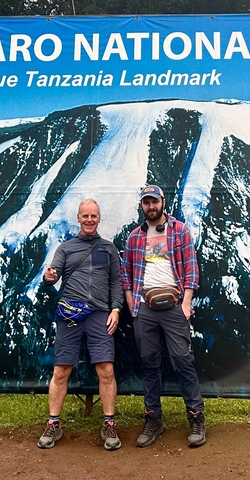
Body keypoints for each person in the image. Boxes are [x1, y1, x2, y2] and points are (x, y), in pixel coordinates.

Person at [121, 185, 206, 448]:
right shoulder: (134, 237)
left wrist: (186, 304)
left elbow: (191, 268)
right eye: (146, 203)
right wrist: (133, 307)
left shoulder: (179, 231)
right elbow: (126, 276)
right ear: (142, 206)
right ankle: (154, 418)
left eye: (154, 202)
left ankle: (196, 417)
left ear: (163, 202)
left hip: (173, 306)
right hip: (144, 308)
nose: (151, 206)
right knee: (149, 363)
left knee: (182, 361)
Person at [38, 198, 123, 451]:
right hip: (70, 316)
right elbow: (52, 278)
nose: (89, 220)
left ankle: (109, 424)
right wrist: (48, 277)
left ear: (98, 219)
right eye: (85, 216)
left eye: (93, 216)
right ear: (78, 218)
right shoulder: (65, 248)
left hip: (99, 315)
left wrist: (116, 310)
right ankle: (54, 423)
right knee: (61, 371)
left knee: (106, 370)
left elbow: (116, 283)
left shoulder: (109, 249)